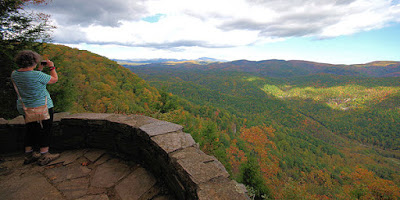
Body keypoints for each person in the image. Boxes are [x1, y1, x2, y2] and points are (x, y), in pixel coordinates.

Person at [11, 50, 60, 165]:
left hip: (25, 107)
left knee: (30, 130)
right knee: (45, 130)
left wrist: (40, 69)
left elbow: (31, 79)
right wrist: (52, 67)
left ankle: (29, 154)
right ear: (33, 62)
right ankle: (44, 155)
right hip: (42, 107)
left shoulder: (15, 74)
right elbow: (54, 79)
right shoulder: (37, 75)